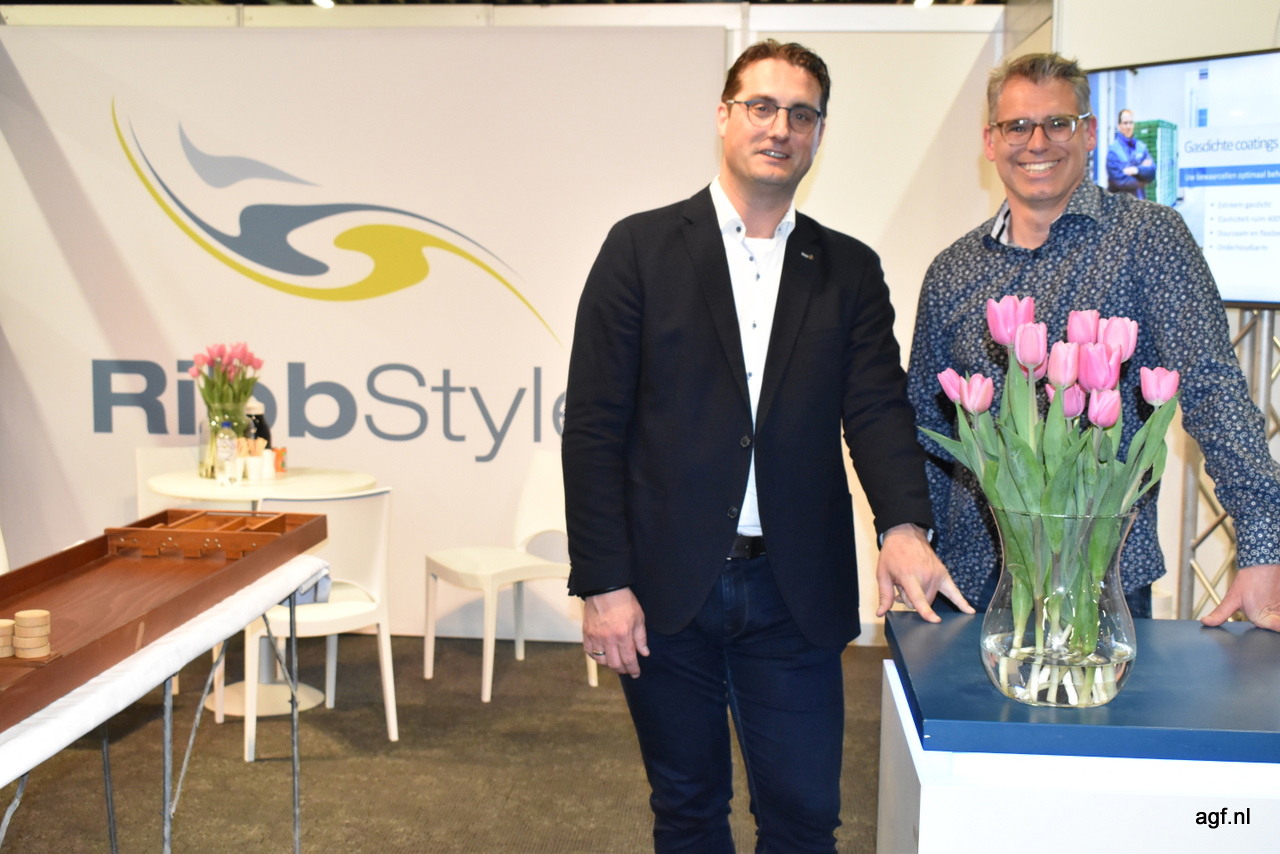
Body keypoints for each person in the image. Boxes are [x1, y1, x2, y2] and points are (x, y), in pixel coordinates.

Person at [562, 39, 971, 853]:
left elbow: (877, 410)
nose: (780, 128)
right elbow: (595, 425)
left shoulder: (848, 269)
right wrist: (603, 582)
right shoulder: (639, 250)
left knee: (804, 819)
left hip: (793, 593)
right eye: (761, 107)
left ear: (818, 133)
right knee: (687, 810)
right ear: (724, 116)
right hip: (664, 589)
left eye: (801, 114)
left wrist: (903, 526)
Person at [907, 52, 1280, 631]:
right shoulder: (952, 271)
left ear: (1089, 132)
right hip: (973, 585)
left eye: (1058, 123)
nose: (1037, 142)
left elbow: (1214, 390)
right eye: (1017, 126)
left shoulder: (1149, 239)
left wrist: (1264, 546)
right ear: (990, 141)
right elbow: (926, 430)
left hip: (1103, 585)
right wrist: (914, 541)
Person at [1106, 108, 1156, 198]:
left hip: (1140, 201)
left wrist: (1136, 170)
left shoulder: (1141, 147)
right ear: (1119, 126)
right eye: (1125, 123)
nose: (1128, 126)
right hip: (1121, 203)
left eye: (1131, 122)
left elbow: (1152, 172)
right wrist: (1143, 180)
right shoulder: (1113, 151)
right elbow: (1119, 181)